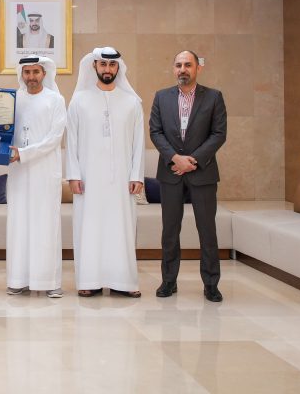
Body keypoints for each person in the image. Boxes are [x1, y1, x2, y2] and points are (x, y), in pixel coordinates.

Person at [66, 47, 144, 298]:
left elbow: (139, 142)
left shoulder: (132, 102)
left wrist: (136, 175)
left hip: (122, 180)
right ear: (94, 66)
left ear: (118, 67)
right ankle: (89, 281)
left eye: (112, 65)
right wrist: (73, 175)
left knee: (121, 228)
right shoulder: (79, 100)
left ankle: (124, 282)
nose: (107, 69)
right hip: (88, 180)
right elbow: (71, 141)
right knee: (89, 227)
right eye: (103, 64)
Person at [149, 50, 227, 303]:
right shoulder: (161, 97)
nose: (183, 69)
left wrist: (192, 160)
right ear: (174, 69)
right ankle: (168, 281)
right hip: (170, 173)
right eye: (178, 65)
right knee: (170, 231)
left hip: (202, 172)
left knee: (207, 230)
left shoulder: (214, 97)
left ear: (197, 68)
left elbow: (219, 133)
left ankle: (211, 284)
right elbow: (156, 132)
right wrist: (176, 158)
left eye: (188, 65)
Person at [5, 56, 66, 298]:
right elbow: (4, 130)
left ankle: (49, 281)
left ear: (44, 74)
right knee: (19, 223)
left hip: (45, 171)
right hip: (18, 172)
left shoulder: (56, 100)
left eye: (35, 72)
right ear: (22, 74)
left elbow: (54, 138)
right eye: (27, 72)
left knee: (45, 224)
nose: (31, 77)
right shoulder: (13, 99)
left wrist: (24, 153)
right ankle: (18, 279)